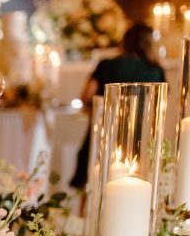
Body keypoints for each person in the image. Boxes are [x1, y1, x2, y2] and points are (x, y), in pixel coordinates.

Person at [70, 23, 166, 188]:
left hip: (102, 131)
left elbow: (86, 96)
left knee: (91, 183)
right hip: (136, 138)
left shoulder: (107, 64)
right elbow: (159, 106)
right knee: (128, 185)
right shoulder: (156, 71)